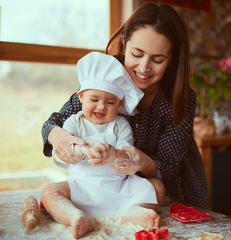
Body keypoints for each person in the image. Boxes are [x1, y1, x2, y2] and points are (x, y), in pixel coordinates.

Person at [42, 0, 208, 235]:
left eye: (157, 60)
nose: (144, 67)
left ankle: (135, 211)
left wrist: (143, 163)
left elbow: (169, 166)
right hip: (96, 186)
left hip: (156, 188)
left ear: (171, 60)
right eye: (136, 54)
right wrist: (58, 136)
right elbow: (54, 123)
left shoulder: (180, 98)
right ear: (123, 43)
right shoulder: (103, 79)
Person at [41, 51, 165, 239]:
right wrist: (85, 149)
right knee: (50, 192)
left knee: (157, 187)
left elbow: (127, 154)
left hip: (118, 189)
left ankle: (132, 212)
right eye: (94, 100)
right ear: (81, 97)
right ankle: (76, 216)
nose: (101, 107)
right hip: (81, 188)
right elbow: (68, 147)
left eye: (110, 102)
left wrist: (113, 154)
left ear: (119, 103)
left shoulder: (121, 125)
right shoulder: (74, 122)